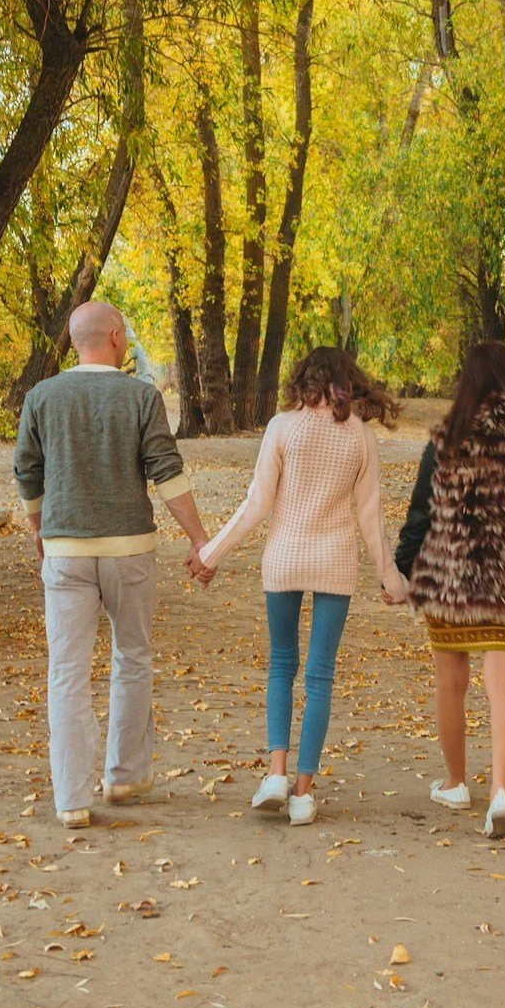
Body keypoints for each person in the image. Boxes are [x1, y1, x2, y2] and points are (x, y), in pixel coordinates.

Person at [188, 347, 408, 825]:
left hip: (284, 559)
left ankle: (275, 773)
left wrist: (210, 555)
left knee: (281, 665)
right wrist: (391, 579)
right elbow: (370, 518)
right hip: (334, 562)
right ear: (350, 381)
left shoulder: (282, 427)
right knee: (320, 675)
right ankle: (304, 794)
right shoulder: (361, 438)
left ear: (302, 380)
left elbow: (256, 503)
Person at [14, 299, 210, 829]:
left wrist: (39, 530)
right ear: (117, 338)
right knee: (133, 656)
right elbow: (166, 472)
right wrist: (199, 539)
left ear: (76, 342)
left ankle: (72, 799)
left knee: (67, 673)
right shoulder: (140, 397)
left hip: (66, 553)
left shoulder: (42, 397)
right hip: (129, 553)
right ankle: (123, 776)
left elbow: (27, 475)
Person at [395, 340, 505, 840]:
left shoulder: (446, 440)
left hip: (451, 579)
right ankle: (501, 794)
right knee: (502, 688)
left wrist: (404, 568)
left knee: (452, 683)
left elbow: (420, 511)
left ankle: (456, 782)